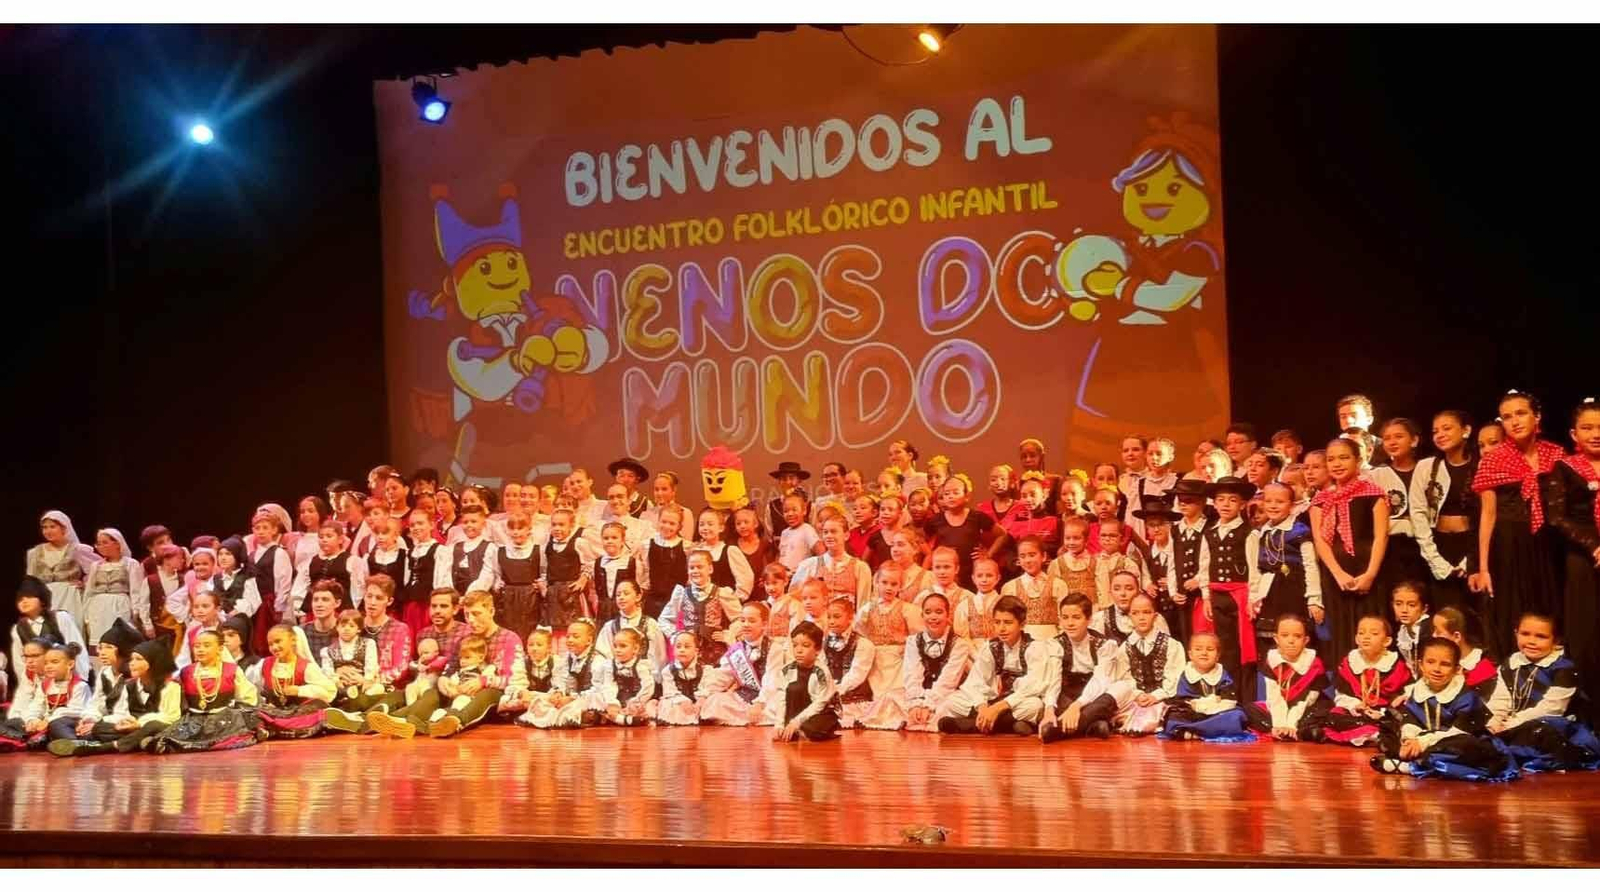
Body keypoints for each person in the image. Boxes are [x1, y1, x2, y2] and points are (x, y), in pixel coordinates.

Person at [1471, 390, 1566, 658]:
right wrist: (1483, 567)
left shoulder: (1556, 454)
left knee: (1549, 606)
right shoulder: (1494, 458)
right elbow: (1487, 515)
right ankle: (1512, 679)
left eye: (1521, 413)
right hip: (1508, 544)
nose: (1514, 421)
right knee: (1512, 610)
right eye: (1506, 417)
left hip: (1549, 543)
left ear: (1537, 416)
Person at [369, 590, 526, 738]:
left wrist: (483, 681)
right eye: (467, 615)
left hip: (492, 699)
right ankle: (398, 721)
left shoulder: (509, 639)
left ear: (491, 612)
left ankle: (453, 721)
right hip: (460, 691)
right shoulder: (465, 639)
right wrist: (445, 680)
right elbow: (451, 667)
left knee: (487, 694)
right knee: (433, 690)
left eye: (477, 614)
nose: (471, 620)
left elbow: (517, 681)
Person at [1371, 637, 1519, 782]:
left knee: (1459, 748)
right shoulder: (1418, 690)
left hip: (1452, 742)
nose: (1437, 669)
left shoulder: (1466, 697)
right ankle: (1412, 755)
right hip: (1422, 740)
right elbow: (1411, 718)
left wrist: (1422, 743)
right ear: (1420, 665)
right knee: (1389, 726)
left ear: (1457, 669)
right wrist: (1409, 739)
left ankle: (1411, 767)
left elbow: (1461, 732)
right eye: (1430, 662)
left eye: (1445, 664)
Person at [1541, 398, 1600, 724]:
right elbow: (1557, 518)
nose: (1595, 434)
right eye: (1587, 427)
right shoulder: (1564, 468)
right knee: (1586, 632)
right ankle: (1586, 712)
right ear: (1573, 434)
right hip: (1582, 557)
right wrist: (1594, 546)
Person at [1485, 612, 1600, 773]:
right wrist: (1493, 721)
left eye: (1541, 636)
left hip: (1550, 726)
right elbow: (1500, 699)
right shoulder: (1511, 664)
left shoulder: (1564, 668)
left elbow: (1552, 708)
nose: (1531, 641)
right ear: (1516, 633)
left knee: (1542, 730)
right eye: (1525, 634)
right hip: (1513, 726)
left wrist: (1513, 723)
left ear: (1556, 640)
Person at [1310, 437, 1390, 661]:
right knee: (1341, 629)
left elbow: (1380, 536)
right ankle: (1347, 686)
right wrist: (1338, 573)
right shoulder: (1320, 500)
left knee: (1371, 627)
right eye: (1331, 459)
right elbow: (1320, 540)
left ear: (1358, 459)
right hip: (1336, 574)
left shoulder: (1374, 493)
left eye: (1344, 457)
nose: (1337, 464)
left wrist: (1370, 574)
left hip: (1369, 571)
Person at [47, 638, 181, 757]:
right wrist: (122, 722)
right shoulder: (130, 686)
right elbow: (122, 712)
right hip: (132, 729)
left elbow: (171, 717)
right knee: (99, 728)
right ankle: (139, 742)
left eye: (138, 659)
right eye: (132, 659)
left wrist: (139, 723)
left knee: (154, 726)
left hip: (154, 727)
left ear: (154, 662)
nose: (132, 663)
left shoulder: (170, 687)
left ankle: (106, 747)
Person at [936, 596, 1049, 735]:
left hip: (1016, 701)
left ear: (1022, 624)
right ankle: (1010, 724)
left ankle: (969, 725)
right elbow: (975, 681)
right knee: (952, 702)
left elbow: (1034, 686)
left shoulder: (1034, 648)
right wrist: (983, 707)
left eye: (1008, 622)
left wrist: (999, 708)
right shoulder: (991, 647)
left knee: (1034, 706)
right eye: (997, 622)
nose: (1001, 628)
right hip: (994, 700)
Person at [148, 629, 262, 754]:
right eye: (197, 646)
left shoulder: (231, 670)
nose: (200, 649)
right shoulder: (186, 672)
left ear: (220, 648)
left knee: (234, 736)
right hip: (194, 719)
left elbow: (247, 697)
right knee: (167, 740)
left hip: (224, 718)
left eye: (207, 645)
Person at [1248, 482, 1323, 668]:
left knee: (1293, 637)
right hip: (1270, 594)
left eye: (1280, 501)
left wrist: (1314, 599)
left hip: (1293, 592)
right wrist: (1254, 597)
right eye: (1269, 501)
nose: (1273, 505)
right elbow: (1255, 570)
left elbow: (1310, 566)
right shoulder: (1260, 533)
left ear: (1292, 505)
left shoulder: (1299, 532)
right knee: (1270, 641)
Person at [1412, 410, 1480, 612]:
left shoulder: (1481, 465)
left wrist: (1471, 561)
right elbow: (1418, 512)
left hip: (1472, 544)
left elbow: (1488, 517)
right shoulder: (1426, 467)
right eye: (1435, 431)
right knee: (1445, 612)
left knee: (1474, 611)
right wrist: (1435, 559)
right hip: (1439, 545)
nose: (1440, 434)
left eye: (1447, 428)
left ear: (1466, 430)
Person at [1196, 476, 1257, 690]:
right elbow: (1204, 566)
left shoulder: (1249, 533)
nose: (1225, 504)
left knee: (1241, 647)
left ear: (1242, 505)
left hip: (1240, 596)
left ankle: (1242, 692)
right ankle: (1223, 689)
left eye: (1232, 500)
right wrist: (1205, 597)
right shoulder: (1210, 533)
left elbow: (1254, 567)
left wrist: (1253, 598)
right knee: (1221, 644)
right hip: (1217, 595)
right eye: (1221, 499)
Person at [1097, 593, 1184, 735]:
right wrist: (1138, 695)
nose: (1141, 617)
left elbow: (1175, 676)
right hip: (1136, 700)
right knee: (1117, 711)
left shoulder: (1172, 645)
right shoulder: (1125, 648)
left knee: (1171, 715)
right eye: (1135, 613)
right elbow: (1124, 678)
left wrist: (1155, 696)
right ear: (1130, 617)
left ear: (1155, 616)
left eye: (1146, 612)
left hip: (1163, 698)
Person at [1320, 615, 1413, 747]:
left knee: (1403, 717)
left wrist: (1388, 709)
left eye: (1374, 633)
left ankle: (1382, 733)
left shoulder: (1397, 666)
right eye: (1361, 633)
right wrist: (1355, 706)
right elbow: (1342, 693)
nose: (1366, 637)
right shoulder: (1349, 663)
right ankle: (1375, 734)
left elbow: (1409, 692)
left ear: (1386, 641)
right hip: (1359, 712)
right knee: (1335, 715)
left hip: (1385, 711)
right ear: (1356, 639)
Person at [1039, 592, 1118, 742]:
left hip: (1093, 694)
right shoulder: (1055, 644)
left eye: (1076, 617)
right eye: (1065, 617)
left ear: (1088, 620)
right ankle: (1092, 725)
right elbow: (1054, 679)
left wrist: (1076, 706)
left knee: (1115, 692)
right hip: (1067, 695)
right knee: (1058, 700)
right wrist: (1049, 710)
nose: (1070, 623)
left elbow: (1100, 681)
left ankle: (1058, 731)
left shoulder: (1104, 644)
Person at [855, 563, 925, 729]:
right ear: (877, 583)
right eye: (884, 583)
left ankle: (899, 717)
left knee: (897, 691)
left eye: (894, 584)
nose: (889, 588)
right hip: (875, 659)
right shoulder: (867, 609)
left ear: (900, 586)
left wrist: (906, 648)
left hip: (898, 659)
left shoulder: (907, 609)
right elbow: (859, 633)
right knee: (880, 692)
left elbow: (917, 636)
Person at [1243, 614, 1328, 741]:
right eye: (1285, 635)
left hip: (1305, 708)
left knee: (1326, 710)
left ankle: (1296, 731)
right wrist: (1279, 724)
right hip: (1279, 708)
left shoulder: (1314, 664)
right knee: (1248, 709)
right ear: (1276, 639)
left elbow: (1308, 700)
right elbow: (1274, 698)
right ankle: (1282, 731)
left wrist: (1290, 724)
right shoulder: (1271, 661)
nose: (1291, 641)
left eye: (1297, 636)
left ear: (1306, 640)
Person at [1158, 630, 1253, 742]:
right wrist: (1206, 702)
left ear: (1217, 656)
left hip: (1217, 713)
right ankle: (1204, 731)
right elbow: (1183, 701)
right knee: (1172, 717)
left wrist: (1211, 706)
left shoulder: (1222, 674)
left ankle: (1194, 732)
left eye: (1210, 649)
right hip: (1193, 714)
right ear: (1190, 655)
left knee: (1236, 715)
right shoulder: (1186, 675)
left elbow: (1229, 701)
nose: (1204, 653)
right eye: (1198, 649)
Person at [0, 640, 89, 751]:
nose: (48, 666)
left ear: (70, 664)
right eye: (46, 663)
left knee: (57, 726)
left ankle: (75, 744)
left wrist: (47, 721)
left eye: (54, 662)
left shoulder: (79, 685)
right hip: (42, 724)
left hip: (66, 723)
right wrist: (32, 720)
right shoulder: (46, 684)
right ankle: (26, 739)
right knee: (12, 722)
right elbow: (36, 705)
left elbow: (77, 710)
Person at [925, 476, 1008, 591]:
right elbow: (921, 541)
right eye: (947, 493)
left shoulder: (977, 517)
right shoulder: (935, 520)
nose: (950, 496)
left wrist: (988, 555)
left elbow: (1002, 534)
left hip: (971, 572)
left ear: (966, 496)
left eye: (955, 492)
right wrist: (934, 555)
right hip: (946, 573)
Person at [255, 624, 336, 740]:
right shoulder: (265, 664)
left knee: (314, 710)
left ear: (293, 640)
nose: (274, 647)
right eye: (270, 644)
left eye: (278, 641)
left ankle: (277, 728)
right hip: (276, 711)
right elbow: (253, 688)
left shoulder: (306, 666)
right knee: (254, 712)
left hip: (299, 712)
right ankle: (276, 727)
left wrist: (299, 690)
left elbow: (330, 692)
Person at [519, 618, 601, 730]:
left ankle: (572, 718)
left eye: (575, 637)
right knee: (542, 701)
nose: (570, 640)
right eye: (568, 637)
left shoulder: (597, 660)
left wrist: (572, 698)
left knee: (578, 707)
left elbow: (598, 690)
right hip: (568, 698)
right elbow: (560, 680)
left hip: (588, 698)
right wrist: (558, 693)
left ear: (589, 640)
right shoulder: (566, 659)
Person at [766, 621, 839, 742]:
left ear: (817, 649)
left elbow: (820, 703)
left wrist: (796, 722)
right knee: (793, 688)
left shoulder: (821, 672)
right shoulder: (787, 670)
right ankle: (792, 729)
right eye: (795, 645)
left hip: (820, 712)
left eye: (805, 645)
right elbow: (782, 697)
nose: (799, 650)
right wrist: (779, 725)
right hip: (797, 712)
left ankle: (800, 729)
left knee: (814, 729)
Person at [24, 511, 95, 633]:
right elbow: (31, 580)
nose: (48, 531)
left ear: (64, 528)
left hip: (69, 597)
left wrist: (85, 583)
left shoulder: (77, 549)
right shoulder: (34, 552)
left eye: (52, 526)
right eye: (45, 527)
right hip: (45, 598)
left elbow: (97, 568)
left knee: (68, 632)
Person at [82, 528, 154, 647]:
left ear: (117, 543)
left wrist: (136, 613)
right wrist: (86, 614)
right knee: (98, 643)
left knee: (118, 641)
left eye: (105, 542)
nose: (101, 546)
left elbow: (136, 591)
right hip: (97, 608)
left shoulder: (130, 564)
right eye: (98, 543)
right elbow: (89, 591)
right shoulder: (96, 565)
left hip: (119, 606)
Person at [10, 575, 89, 681]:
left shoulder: (60, 618)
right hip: (38, 683)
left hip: (66, 679)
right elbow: (19, 663)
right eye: (20, 599)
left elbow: (77, 648)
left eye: (29, 596)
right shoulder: (18, 629)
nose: (24, 601)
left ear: (42, 600)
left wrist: (81, 678)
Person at [790, 516, 873, 607]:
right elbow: (794, 599)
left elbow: (863, 605)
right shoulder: (810, 565)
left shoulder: (860, 567)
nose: (829, 536)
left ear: (846, 535)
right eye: (825, 532)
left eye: (833, 532)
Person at [540, 508, 599, 638]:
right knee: (554, 629)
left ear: (571, 526)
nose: (557, 528)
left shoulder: (578, 543)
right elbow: (545, 567)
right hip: (553, 593)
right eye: (554, 524)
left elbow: (590, 562)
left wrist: (583, 579)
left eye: (561, 525)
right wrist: (543, 584)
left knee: (574, 626)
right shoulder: (548, 545)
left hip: (571, 593)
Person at [820, 597, 874, 728]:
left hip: (853, 697)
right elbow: (821, 667)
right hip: (828, 693)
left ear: (850, 618)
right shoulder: (823, 642)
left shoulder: (863, 644)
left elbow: (858, 673)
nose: (832, 621)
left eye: (837, 617)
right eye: (829, 617)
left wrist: (837, 690)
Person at [1003, 537, 1069, 642]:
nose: (1028, 560)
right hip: (1022, 642)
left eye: (1032, 555)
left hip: (1052, 641)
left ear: (1043, 556)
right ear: (1018, 560)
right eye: (1023, 556)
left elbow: (1064, 618)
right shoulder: (1010, 587)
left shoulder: (1058, 585)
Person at [294, 521, 367, 613]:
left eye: (329, 536)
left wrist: (352, 609)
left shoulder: (352, 561)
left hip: (341, 610)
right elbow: (300, 586)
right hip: (314, 609)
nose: (324, 540)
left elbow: (358, 588)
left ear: (340, 539)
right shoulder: (311, 562)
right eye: (321, 537)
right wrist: (298, 608)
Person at [597, 579, 668, 673]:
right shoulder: (610, 627)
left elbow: (659, 657)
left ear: (638, 596)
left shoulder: (650, 624)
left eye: (626, 594)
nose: (621, 597)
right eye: (618, 595)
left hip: (645, 677)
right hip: (616, 676)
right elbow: (602, 654)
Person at [655, 631, 720, 727]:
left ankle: (704, 719)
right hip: (680, 702)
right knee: (667, 704)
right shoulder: (668, 671)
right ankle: (681, 720)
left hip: (699, 703)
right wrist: (683, 701)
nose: (682, 650)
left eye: (687, 647)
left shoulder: (705, 669)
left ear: (696, 651)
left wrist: (700, 701)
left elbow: (707, 688)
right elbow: (670, 691)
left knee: (715, 700)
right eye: (678, 647)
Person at [1431, 606, 1498, 699]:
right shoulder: (1437, 660)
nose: (1433, 635)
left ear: (1457, 636)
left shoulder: (1484, 670)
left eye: (1438, 632)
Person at [594, 627, 656, 726]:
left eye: (622, 646)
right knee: (597, 699)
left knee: (649, 708)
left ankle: (625, 719)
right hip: (619, 699)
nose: (617, 650)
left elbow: (648, 687)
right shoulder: (610, 666)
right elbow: (609, 685)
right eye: (615, 646)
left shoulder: (640, 666)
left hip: (636, 700)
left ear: (635, 649)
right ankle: (624, 720)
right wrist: (613, 702)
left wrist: (637, 701)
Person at [1091, 568, 1170, 643]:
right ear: (1110, 592)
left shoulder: (1155, 618)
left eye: (1129, 588)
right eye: (1117, 589)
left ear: (1138, 591)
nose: (1123, 594)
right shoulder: (1100, 619)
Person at [641, 509, 689, 620]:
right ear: (658, 521)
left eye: (672, 523)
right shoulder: (647, 545)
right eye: (664, 522)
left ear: (679, 526)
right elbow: (645, 571)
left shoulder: (686, 547)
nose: (667, 526)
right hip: (653, 600)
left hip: (677, 601)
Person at [953, 557, 1002, 643]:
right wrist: (976, 654)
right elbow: (962, 636)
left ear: (997, 578)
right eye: (979, 576)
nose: (984, 580)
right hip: (972, 651)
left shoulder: (1005, 603)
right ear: (973, 578)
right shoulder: (964, 605)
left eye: (989, 575)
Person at [1391, 581, 1432, 677]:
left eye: (1411, 605)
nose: (1404, 610)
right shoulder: (1401, 631)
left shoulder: (1429, 629)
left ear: (1424, 608)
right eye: (1398, 604)